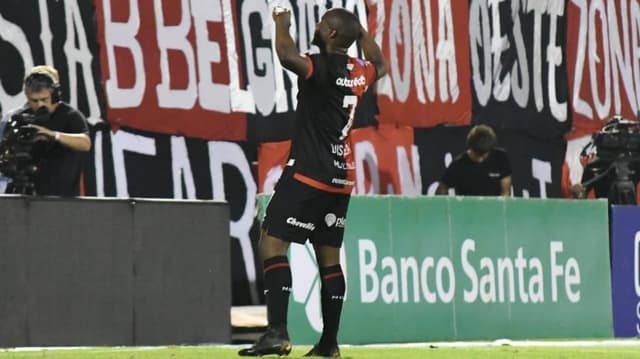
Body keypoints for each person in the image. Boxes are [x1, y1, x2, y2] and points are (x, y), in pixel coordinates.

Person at [238, 7, 387, 358]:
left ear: (332, 34)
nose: (317, 28)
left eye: (322, 25)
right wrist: (361, 31)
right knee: (329, 261)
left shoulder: (323, 66)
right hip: (341, 177)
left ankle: (277, 332)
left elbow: (287, 55)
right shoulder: (359, 71)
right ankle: (329, 344)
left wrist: (280, 23)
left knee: (271, 242)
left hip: (309, 171)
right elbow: (380, 64)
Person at [0, 65, 91, 196]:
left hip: (61, 195)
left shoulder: (70, 115)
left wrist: (51, 135)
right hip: (24, 194)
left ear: (54, 95)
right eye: (34, 100)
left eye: (44, 99)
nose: (39, 105)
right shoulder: (20, 117)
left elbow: (85, 143)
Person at [436, 124, 512, 196]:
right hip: (466, 208)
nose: (480, 159)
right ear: (470, 148)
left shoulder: (501, 158)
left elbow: (505, 192)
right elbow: (442, 189)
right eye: (477, 154)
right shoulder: (458, 164)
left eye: (484, 155)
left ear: (490, 149)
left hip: (495, 208)